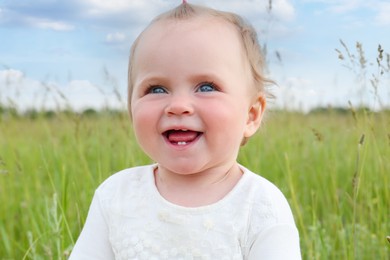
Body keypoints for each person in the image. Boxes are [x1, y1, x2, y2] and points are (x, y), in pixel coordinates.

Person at [69, 2, 301, 259]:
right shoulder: (116, 196)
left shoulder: (260, 206)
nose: (178, 106)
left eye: (206, 87)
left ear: (251, 114)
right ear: (131, 106)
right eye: (156, 89)